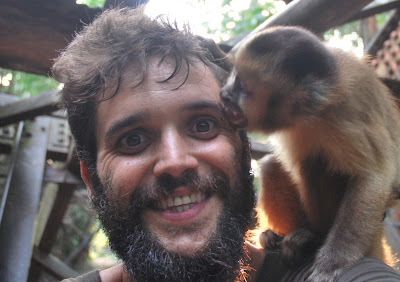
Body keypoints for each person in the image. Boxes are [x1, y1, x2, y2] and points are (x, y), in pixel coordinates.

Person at [53, 6, 400, 282]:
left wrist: (334, 261)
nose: (176, 161)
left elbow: (376, 179)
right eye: (132, 140)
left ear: (243, 147)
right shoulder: (292, 121)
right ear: (91, 180)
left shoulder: (337, 112)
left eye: (203, 125)